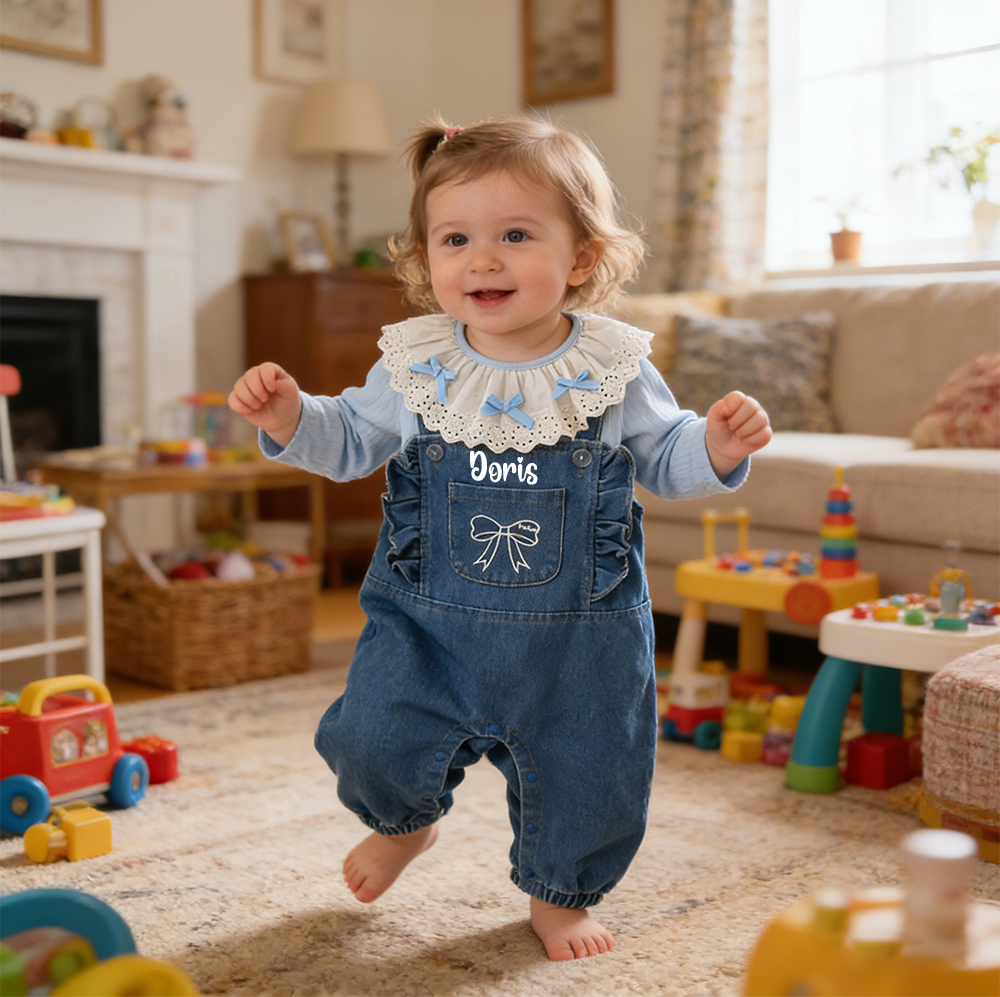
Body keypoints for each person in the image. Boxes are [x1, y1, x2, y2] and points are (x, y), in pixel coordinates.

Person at [228, 116, 771, 961]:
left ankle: (558, 894)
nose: (482, 259)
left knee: (593, 773)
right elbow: (347, 440)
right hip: (427, 627)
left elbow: (667, 457)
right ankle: (404, 827)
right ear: (425, 258)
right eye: (456, 239)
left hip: (578, 643)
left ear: (582, 257)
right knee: (370, 739)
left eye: (515, 235)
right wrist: (291, 414)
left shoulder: (612, 365)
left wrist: (720, 446)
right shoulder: (414, 365)